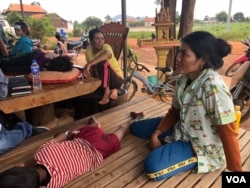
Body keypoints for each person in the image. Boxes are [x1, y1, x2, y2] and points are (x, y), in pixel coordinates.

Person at [129, 31, 243, 181]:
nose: (178, 58)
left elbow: (228, 133)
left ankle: (182, 152)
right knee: (135, 128)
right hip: (182, 127)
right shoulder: (184, 79)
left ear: (202, 59)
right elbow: (174, 113)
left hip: (200, 145)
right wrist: (155, 134)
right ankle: (168, 142)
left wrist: (238, 175)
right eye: (179, 52)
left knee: (153, 167)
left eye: (184, 54)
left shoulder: (213, 87)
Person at [0, 114, 142, 188]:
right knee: (77, 132)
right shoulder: (42, 152)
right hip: (84, 138)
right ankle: (95, 126)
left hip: (100, 149)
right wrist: (68, 133)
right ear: (20, 165)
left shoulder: (52, 184)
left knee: (120, 132)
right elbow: (59, 138)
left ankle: (132, 122)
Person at [83, 28, 124, 105]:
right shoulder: (88, 51)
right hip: (103, 79)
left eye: (102, 38)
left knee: (103, 63)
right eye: (97, 39)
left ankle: (107, 91)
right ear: (91, 41)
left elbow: (107, 54)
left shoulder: (106, 47)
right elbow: (92, 68)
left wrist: (90, 63)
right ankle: (114, 90)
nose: (100, 41)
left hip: (116, 79)